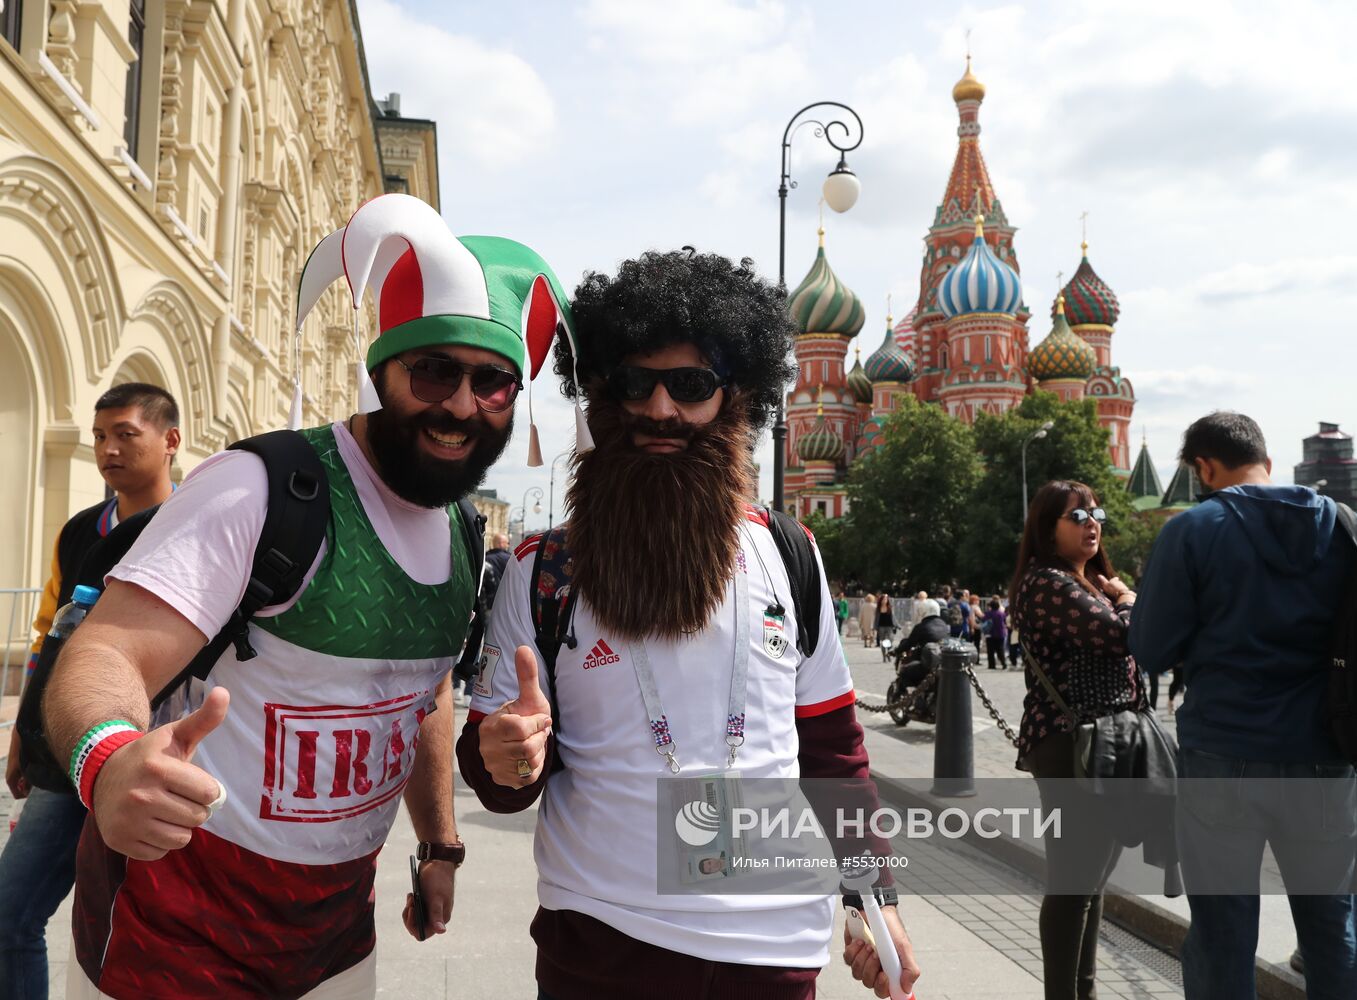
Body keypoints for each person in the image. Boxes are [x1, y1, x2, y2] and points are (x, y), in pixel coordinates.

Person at [40, 195, 570, 998]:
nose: (462, 405)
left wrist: (438, 844)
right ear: (382, 370)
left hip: (334, 948)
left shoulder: (463, 530)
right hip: (172, 943)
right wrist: (107, 764)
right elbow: (105, 650)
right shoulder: (261, 489)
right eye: (433, 370)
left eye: (493, 382)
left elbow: (420, 692)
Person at [455, 249, 921, 1000]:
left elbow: (834, 757)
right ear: (602, 394)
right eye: (637, 384)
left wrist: (876, 902)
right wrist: (504, 755)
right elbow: (501, 784)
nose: (662, 410)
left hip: (774, 952)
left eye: (692, 386)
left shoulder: (790, 554)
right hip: (600, 945)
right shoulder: (543, 571)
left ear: (733, 400)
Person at [1128, 412, 1357, 1000]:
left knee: (1224, 934)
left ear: (1204, 467)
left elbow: (1151, 647)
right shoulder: (1344, 525)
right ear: (1267, 461)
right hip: (1326, 757)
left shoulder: (1194, 530)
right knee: (1334, 931)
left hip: (1224, 753)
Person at [0, 383, 179, 1000]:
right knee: (10, 914)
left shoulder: (197, 530)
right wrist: (26, 735)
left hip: (157, 765)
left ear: (170, 441)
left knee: (149, 935)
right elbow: (51, 637)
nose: (108, 450)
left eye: (126, 435)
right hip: (67, 757)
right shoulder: (80, 533)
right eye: (101, 436)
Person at [1010, 480, 1143, 1000]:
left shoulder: (1091, 583)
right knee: (1073, 882)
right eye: (1078, 515)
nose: (1093, 522)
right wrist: (1131, 601)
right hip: (1071, 744)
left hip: (1105, 742)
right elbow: (1120, 636)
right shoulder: (1046, 583)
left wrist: (1122, 599)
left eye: (1096, 512)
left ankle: (1082, 991)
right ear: (1048, 529)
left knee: (1092, 880)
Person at [455, 532, 513, 703]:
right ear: (505, 544)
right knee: (495, 652)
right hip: (501, 611)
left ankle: (460, 686)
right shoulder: (511, 559)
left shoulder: (485, 560)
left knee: (468, 649)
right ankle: (490, 689)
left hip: (478, 610)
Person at [982, 597, 1008, 670]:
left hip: (990, 634)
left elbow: (983, 620)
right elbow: (1005, 622)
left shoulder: (987, 613)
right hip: (1000, 633)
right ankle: (1003, 663)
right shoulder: (1002, 613)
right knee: (1000, 649)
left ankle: (991, 665)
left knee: (990, 651)